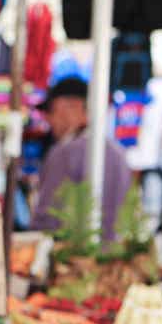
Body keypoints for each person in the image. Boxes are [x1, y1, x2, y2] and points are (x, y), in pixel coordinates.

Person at [31, 77, 133, 239]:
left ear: (74, 107)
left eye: (51, 111)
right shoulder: (119, 154)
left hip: (73, 257)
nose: (49, 120)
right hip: (116, 258)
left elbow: (47, 219)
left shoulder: (64, 153)